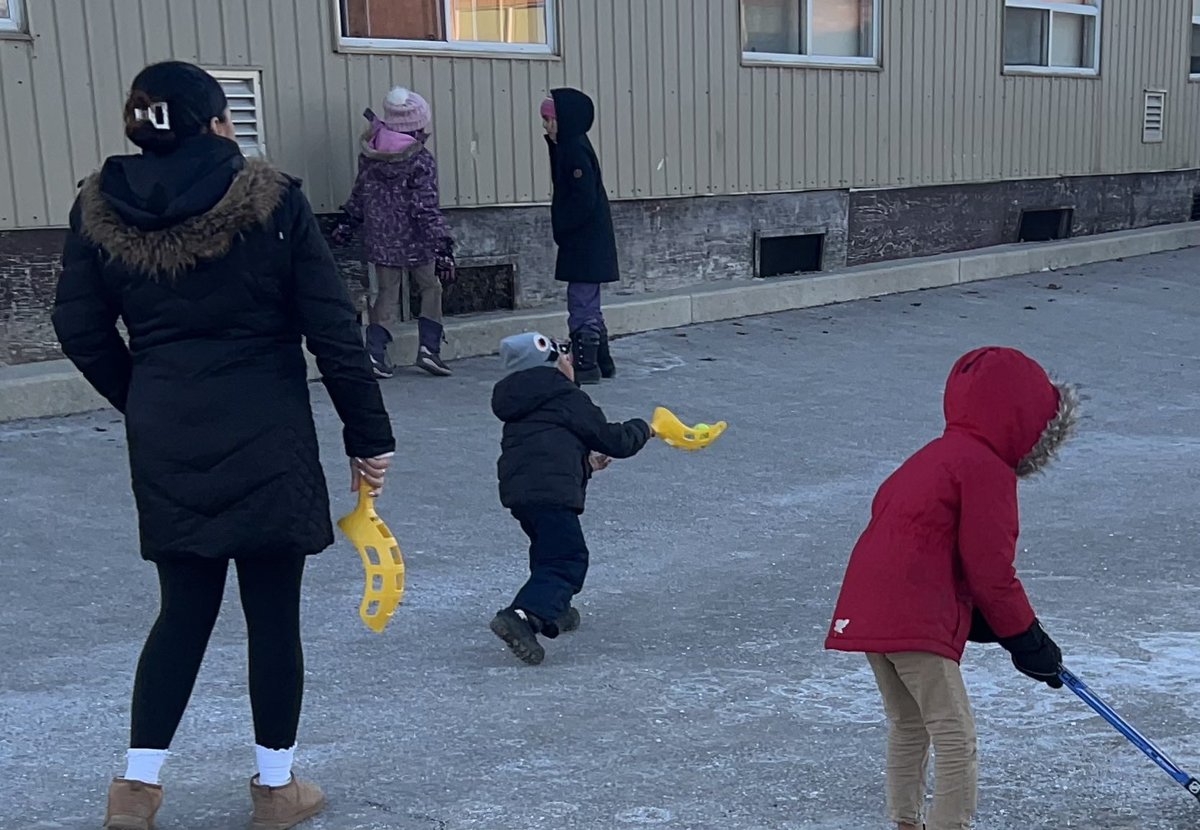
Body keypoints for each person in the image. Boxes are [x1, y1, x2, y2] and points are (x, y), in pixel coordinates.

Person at [51, 61, 396, 830]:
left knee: (182, 611)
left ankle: (135, 792)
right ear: (217, 123)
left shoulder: (97, 207)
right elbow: (333, 330)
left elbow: (77, 326)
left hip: (166, 428)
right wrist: (368, 436)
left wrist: (141, 396)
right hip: (267, 428)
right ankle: (276, 790)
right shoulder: (271, 201)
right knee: (273, 616)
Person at [824, 346, 1079, 830]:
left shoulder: (930, 457)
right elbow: (991, 570)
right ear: (1026, 421)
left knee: (909, 725)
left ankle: (905, 822)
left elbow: (923, 545)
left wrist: (984, 622)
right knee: (955, 735)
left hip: (869, 607)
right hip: (913, 617)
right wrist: (1028, 639)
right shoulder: (986, 469)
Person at [488, 332, 652, 664]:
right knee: (567, 559)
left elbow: (545, 448)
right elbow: (612, 439)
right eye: (564, 355)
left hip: (521, 491)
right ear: (550, 366)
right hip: (551, 492)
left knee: (548, 551)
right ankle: (523, 616)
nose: (571, 361)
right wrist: (644, 429)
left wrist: (585, 464)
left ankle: (555, 610)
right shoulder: (566, 396)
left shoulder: (521, 400)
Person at [336, 86, 455, 379]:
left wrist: (348, 221)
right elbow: (424, 205)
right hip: (417, 238)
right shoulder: (420, 160)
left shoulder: (371, 155)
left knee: (387, 293)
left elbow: (360, 192)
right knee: (431, 288)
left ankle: (375, 354)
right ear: (416, 125)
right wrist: (443, 243)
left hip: (382, 237)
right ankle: (429, 349)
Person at [541, 89, 618, 385]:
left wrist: (564, 225)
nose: (547, 127)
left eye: (551, 120)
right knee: (589, 301)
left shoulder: (574, 151)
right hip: (587, 240)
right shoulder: (569, 146)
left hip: (585, 241)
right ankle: (602, 359)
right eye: (545, 121)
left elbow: (581, 198)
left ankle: (585, 366)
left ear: (568, 120)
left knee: (581, 301)